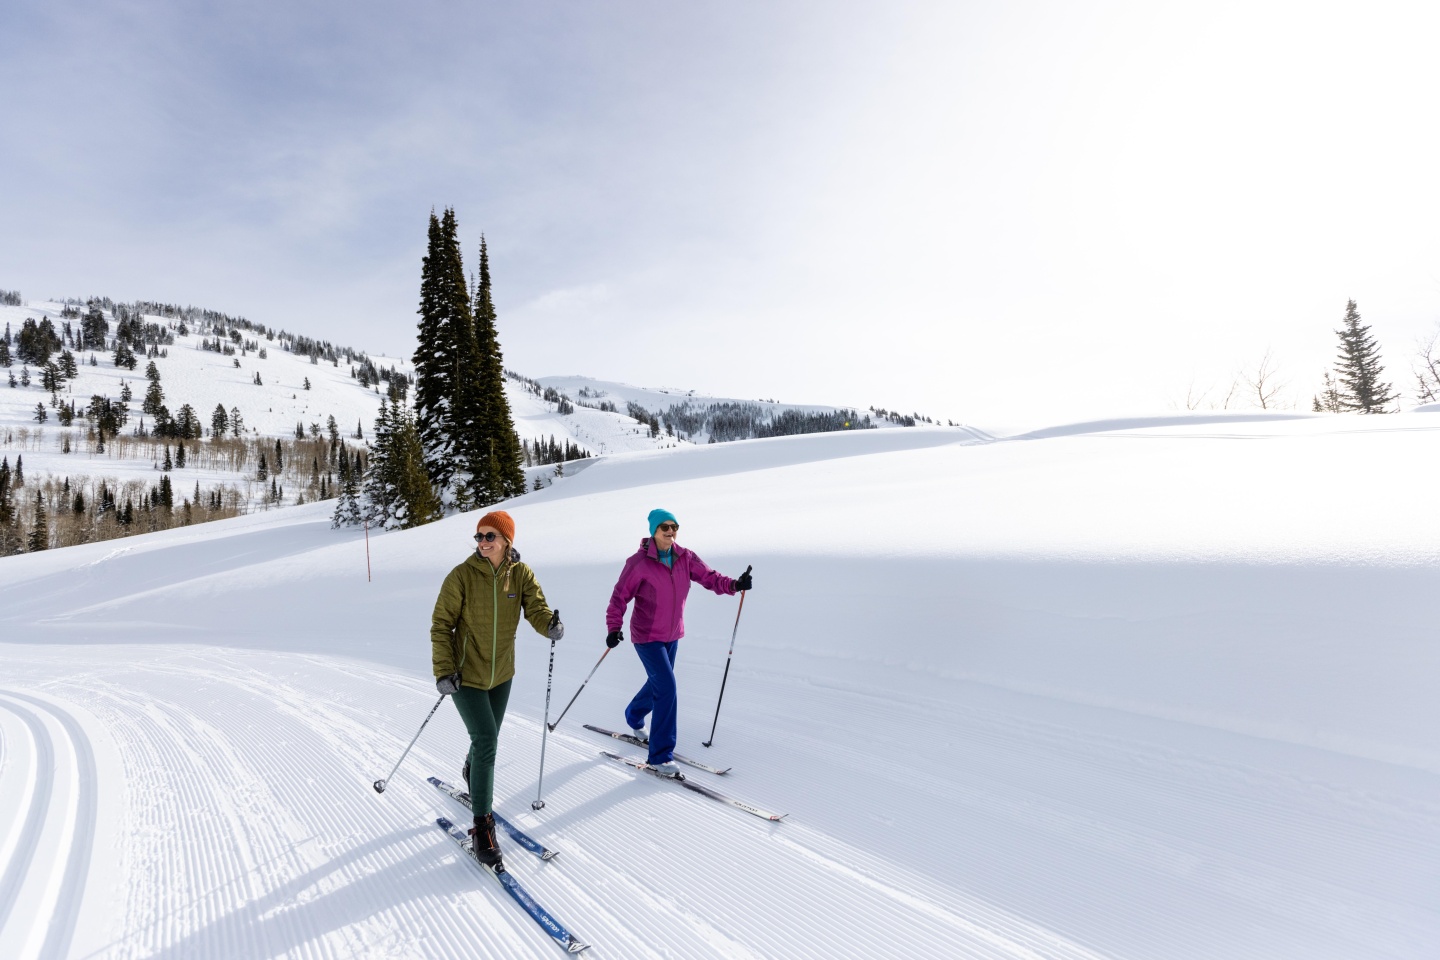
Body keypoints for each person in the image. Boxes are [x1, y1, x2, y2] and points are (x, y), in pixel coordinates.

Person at [432, 509, 563, 871]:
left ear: (507, 541)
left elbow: (535, 609)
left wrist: (548, 624)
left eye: (491, 536)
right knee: (488, 740)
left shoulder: (520, 574)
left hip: (502, 674)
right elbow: (441, 624)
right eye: (479, 536)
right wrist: (444, 670)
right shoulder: (461, 576)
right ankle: (482, 826)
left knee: (485, 740)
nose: (483, 542)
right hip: (465, 676)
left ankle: (472, 771)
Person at [604, 508, 753, 776]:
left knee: (658, 683)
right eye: (665, 528)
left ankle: (634, 716)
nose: (671, 532)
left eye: (675, 527)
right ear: (654, 531)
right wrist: (614, 627)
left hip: (672, 634)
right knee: (668, 687)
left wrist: (734, 584)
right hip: (647, 636)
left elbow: (710, 577)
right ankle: (660, 757)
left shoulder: (686, 558)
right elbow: (619, 598)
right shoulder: (638, 564)